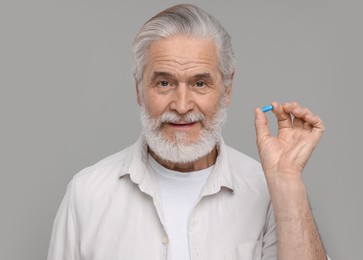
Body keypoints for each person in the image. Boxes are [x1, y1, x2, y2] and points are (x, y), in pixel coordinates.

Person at [48, 4, 330, 260]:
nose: (182, 106)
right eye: (164, 83)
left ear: (227, 90)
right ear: (138, 90)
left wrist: (287, 182)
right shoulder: (87, 193)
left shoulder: (268, 191)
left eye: (200, 84)